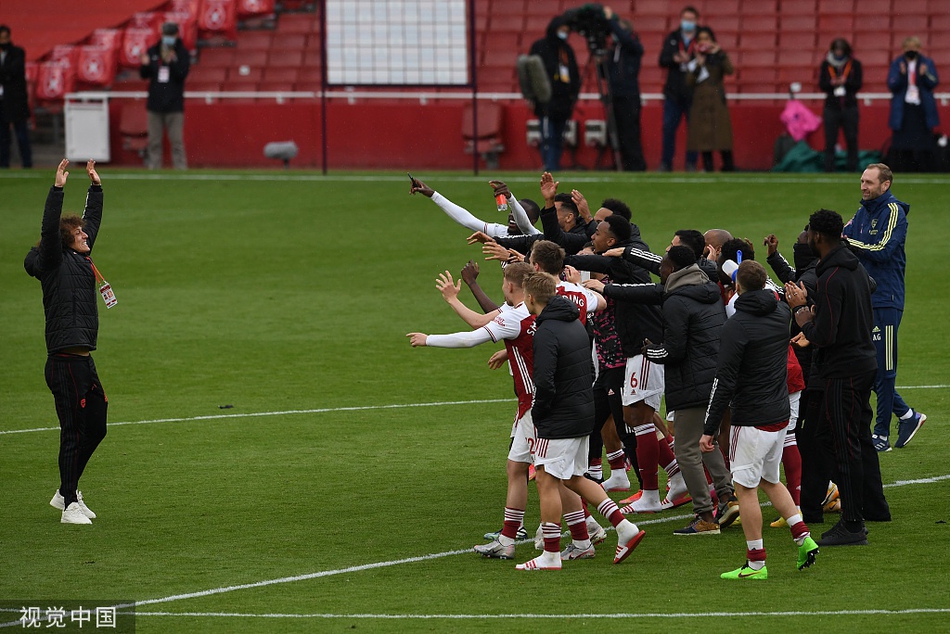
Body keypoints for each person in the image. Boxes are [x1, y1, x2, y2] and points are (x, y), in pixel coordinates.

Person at [516, 271, 645, 570]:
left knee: (546, 480)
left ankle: (550, 555)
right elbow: (589, 368)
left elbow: (544, 382)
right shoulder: (576, 322)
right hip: (583, 411)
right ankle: (624, 528)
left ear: (531, 298)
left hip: (559, 417)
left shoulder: (545, 331)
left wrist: (540, 413)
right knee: (573, 478)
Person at [701, 260, 819, 580]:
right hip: (779, 414)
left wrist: (709, 429)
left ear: (738, 287)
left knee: (745, 489)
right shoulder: (781, 313)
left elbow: (724, 382)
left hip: (752, 419)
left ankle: (756, 563)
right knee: (770, 480)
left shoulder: (736, 326)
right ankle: (803, 538)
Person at [785, 209, 890, 546]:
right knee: (846, 439)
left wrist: (802, 313)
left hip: (843, 369)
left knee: (845, 446)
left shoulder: (830, 278)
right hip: (862, 362)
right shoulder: (854, 268)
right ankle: (865, 510)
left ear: (817, 237)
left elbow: (824, 335)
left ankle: (853, 524)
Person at [24, 159, 107, 525]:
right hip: (64, 362)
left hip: (83, 360)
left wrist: (96, 189)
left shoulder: (80, 259)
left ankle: (65, 491)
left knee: (97, 426)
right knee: (73, 432)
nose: (86, 236)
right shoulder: (55, 262)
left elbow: (92, 223)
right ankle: (69, 504)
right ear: (64, 241)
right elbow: (49, 227)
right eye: (78, 234)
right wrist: (57, 190)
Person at [644, 246, 734, 535]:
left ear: (672, 270)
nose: (660, 272)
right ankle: (728, 497)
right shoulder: (709, 290)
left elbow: (675, 350)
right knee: (706, 442)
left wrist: (650, 351)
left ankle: (705, 516)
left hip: (691, 383)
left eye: (662, 267)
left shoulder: (675, 301)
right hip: (716, 379)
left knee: (686, 450)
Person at [843, 164, 926, 451]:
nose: (863, 187)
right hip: (864, 299)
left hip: (886, 299)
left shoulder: (893, 211)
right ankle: (907, 416)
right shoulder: (862, 212)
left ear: (885, 184)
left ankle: (881, 435)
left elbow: (884, 249)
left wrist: (848, 243)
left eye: (869, 182)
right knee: (869, 368)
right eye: (862, 181)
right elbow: (843, 236)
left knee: (885, 368)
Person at [529, 17, 581, 172]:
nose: (564, 33)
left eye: (567, 31)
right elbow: (531, 72)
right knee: (548, 135)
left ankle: (553, 164)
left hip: (563, 100)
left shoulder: (566, 49)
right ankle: (549, 165)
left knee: (559, 136)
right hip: (545, 100)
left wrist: (573, 94)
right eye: (562, 30)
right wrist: (532, 95)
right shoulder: (540, 47)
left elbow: (574, 74)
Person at [409, 177, 540, 238]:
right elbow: (467, 220)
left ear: (533, 221)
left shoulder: (536, 238)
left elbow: (524, 224)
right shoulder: (500, 232)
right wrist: (433, 195)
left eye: (517, 212)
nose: (512, 215)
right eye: (512, 212)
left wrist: (510, 198)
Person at [140, 22, 190, 170]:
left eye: (170, 34)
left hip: (174, 105)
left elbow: (182, 75)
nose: (167, 37)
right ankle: (154, 168)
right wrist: (145, 65)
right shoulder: (153, 51)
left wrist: (172, 62)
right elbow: (144, 75)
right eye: (165, 34)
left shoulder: (182, 53)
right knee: (154, 141)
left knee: (176, 141)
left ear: (176, 35)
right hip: (155, 104)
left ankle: (181, 169)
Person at [658, 6, 701, 172]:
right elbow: (662, 60)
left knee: (694, 131)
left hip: (694, 91)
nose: (687, 22)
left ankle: (691, 163)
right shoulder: (673, 37)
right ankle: (666, 163)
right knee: (668, 128)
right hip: (673, 92)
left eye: (691, 19)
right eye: (685, 19)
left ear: (696, 20)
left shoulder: (701, 37)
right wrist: (674, 59)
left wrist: (691, 59)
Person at [887, 36, 940, 172]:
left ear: (919, 49)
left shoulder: (927, 62)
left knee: (923, 140)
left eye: (914, 47)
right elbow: (891, 84)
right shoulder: (898, 63)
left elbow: (933, 82)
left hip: (922, 107)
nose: (911, 50)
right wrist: (901, 74)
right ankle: (902, 168)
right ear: (903, 49)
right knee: (902, 140)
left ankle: (924, 168)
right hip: (903, 107)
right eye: (908, 47)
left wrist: (924, 74)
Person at [602, 6, 646, 171]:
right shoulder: (614, 49)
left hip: (629, 95)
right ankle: (623, 163)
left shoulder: (634, 47)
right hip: (615, 94)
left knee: (630, 132)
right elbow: (606, 74)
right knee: (618, 131)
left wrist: (610, 20)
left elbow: (626, 40)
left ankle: (636, 164)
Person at [685, 27, 734, 172]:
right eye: (700, 39)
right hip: (701, 103)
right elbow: (689, 82)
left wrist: (719, 53)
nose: (703, 42)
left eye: (706, 39)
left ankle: (728, 166)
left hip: (717, 102)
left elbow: (730, 70)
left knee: (722, 137)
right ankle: (708, 167)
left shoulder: (718, 56)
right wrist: (699, 65)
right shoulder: (695, 60)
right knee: (704, 138)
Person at [818, 38, 863, 172]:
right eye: (836, 50)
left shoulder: (854, 64)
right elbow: (822, 84)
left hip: (849, 106)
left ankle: (852, 167)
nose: (839, 53)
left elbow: (858, 84)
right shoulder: (826, 64)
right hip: (831, 107)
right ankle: (829, 167)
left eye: (841, 50)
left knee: (851, 138)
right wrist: (831, 83)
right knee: (830, 139)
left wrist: (846, 82)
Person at [0, 24, 33, 169]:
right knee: (3, 136)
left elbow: (14, 70)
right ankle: (3, 164)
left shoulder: (18, 52)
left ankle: (27, 163)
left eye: (5, 37)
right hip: (2, 101)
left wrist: (4, 73)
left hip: (16, 101)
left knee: (21, 134)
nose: (3, 41)